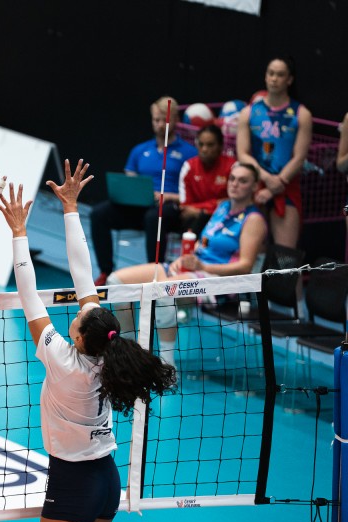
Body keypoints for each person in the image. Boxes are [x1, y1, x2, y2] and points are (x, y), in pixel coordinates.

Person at [0, 159, 176, 522]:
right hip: (105, 481)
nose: (74, 317)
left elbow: (29, 293)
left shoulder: (64, 361)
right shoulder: (105, 349)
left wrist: (18, 232)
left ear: (79, 338)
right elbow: (83, 279)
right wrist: (71, 209)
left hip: (74, 482)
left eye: (75, 322)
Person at [108, 162, 268, 366]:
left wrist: (202, 267)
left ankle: (167, 366)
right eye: (232, 179)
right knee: (116, 282)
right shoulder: (223, 207)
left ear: (254, 187)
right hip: (195, 269)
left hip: (219, 281)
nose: (235, 184)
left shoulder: (253, 220)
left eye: (243, 181)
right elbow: (204, 245)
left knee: (164, 291)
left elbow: (245, 266)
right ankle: (129, 354)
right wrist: (184, 259)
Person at [89, 97, 197, 284]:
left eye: (164, 120)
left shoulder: (189, 153)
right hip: (139, 207)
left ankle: (154, 274)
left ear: (175, 120)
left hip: (169, 209)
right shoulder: (140, 150)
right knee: (98, 214)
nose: (159, 124)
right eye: (156, 120)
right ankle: (105, 272)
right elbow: (130, 180)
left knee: (153, 217)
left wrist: (169, 196)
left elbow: (193, 194)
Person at [236, 57, 312, 249]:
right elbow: (243, 153)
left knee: (285, 258)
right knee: (251, 251)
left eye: (280, 74)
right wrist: (266, 178)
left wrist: (277, 184)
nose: (274, 79)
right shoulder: (249, 112)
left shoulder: (301, 114)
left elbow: (300, 157)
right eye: (271, 73)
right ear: (265, 76)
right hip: (254, 186)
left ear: (289, 79)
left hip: (286, 187)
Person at [178, 124, 235, 234]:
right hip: (195, 219)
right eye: (201, 144)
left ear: (220, 146)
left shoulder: (233, 168)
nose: (204, 149)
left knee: (203, 217)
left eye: (210, 145)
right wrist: (215, 204)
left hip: (226, 218)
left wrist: (202, 211)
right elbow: (186, 207)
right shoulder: (188, 167)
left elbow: (233, 203)